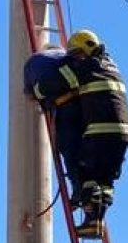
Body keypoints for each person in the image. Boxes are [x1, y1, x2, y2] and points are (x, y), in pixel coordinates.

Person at [62, 29, 128, 239]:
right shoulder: (110, 65)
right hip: (122, 134)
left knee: (87, 174)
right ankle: (95, 223)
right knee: (105, 182)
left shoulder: (87, 66)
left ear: (86, 49)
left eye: (76, 53)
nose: (75, 58)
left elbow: (62, 78)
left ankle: (89, 212)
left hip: (100, 131)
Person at [23, 44, 85, 204]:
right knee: (86, 149)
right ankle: (91, 193)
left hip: (64, 109)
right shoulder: (68, 57)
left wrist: (43, 100)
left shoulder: (33, 61)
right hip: (85, 106)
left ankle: (79, 191)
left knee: (69, 149)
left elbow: (29, 95)